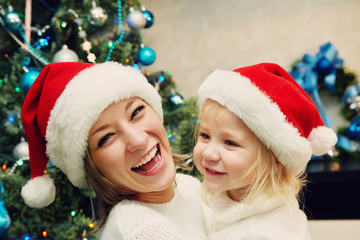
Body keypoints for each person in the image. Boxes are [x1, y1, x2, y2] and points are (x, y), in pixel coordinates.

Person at [20, 61, 207, 239]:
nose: (139, 140)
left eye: (136, 112)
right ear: (91, 166)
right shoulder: (143, 230)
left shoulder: (190, 186)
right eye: (107, 138)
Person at [193, 62, 338, 240]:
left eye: (230, 142)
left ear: (276, 158)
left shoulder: (256, 233)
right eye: (205, 136)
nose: (208, 153)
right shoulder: (241, 195)